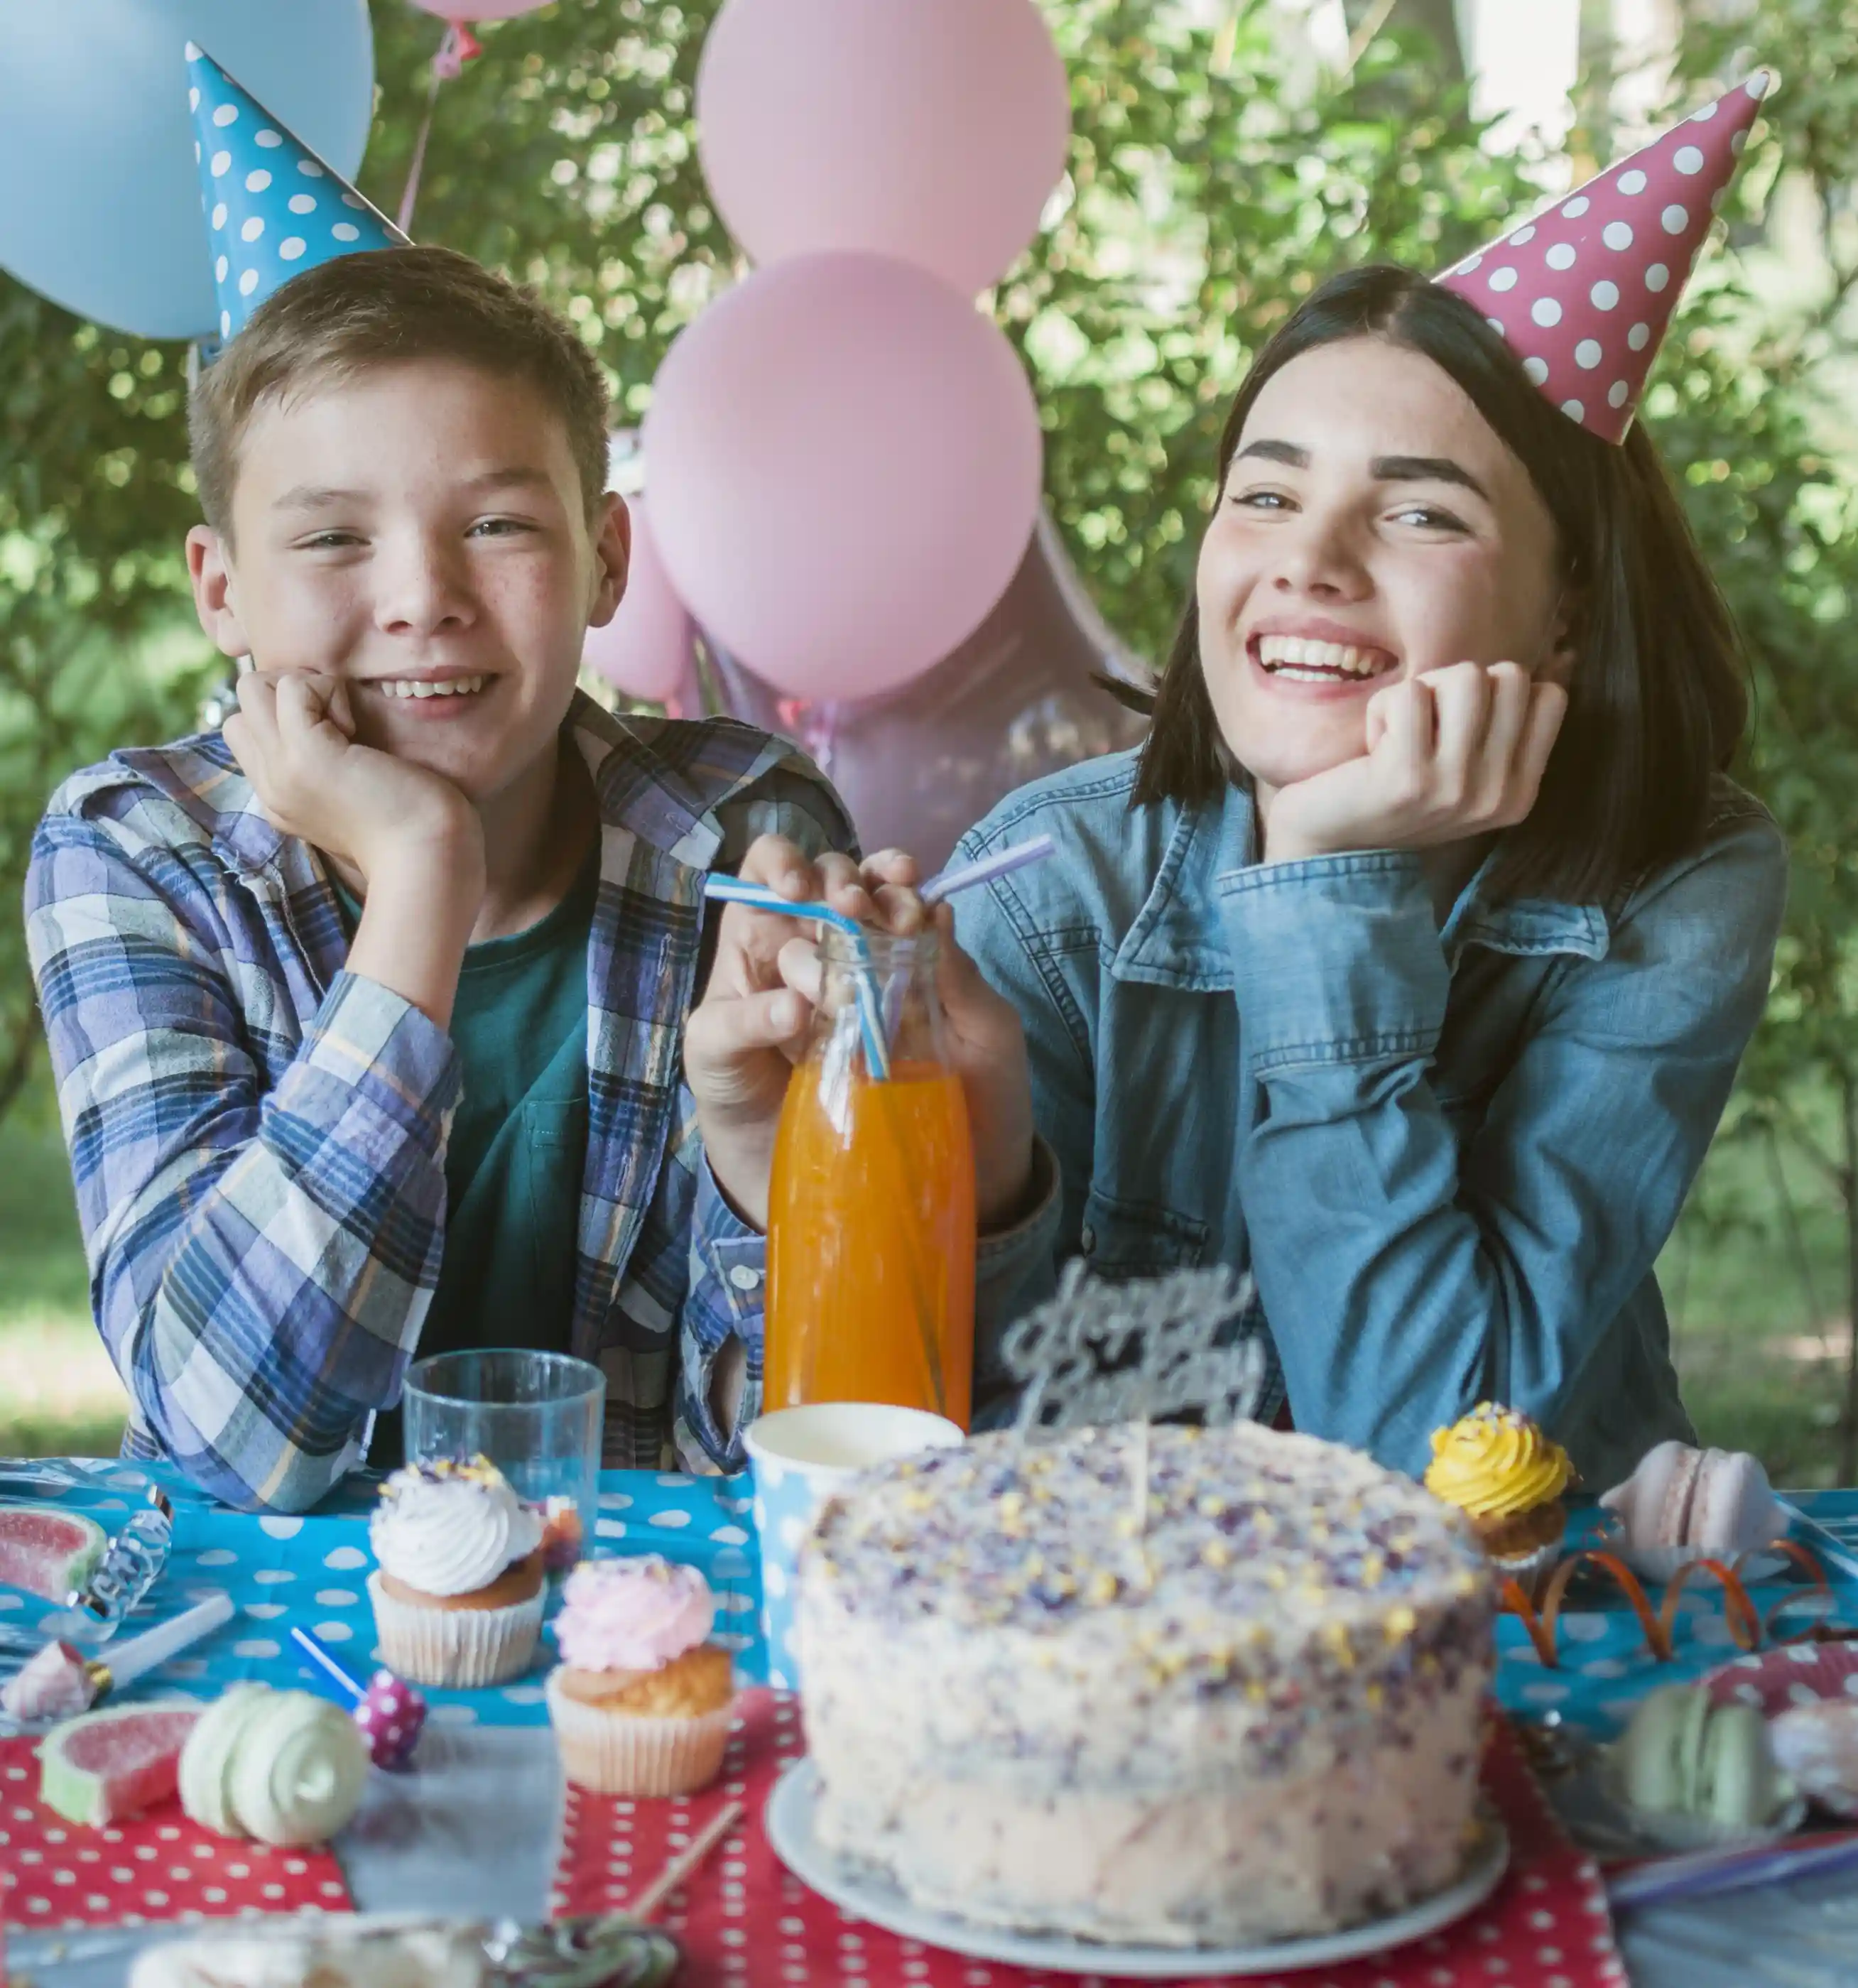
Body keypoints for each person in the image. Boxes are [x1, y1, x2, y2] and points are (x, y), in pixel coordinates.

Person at [692, 75, 1787, 1487]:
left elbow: (1435, 1460)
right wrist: (990, 1179)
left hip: (1543, 1635)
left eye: (1419, 511)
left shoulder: (1676, 879)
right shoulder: (1055, 891)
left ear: (1568, 609)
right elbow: (965, 1471)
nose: (1310, 560)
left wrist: (1326, 889)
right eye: (1266, 494)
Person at [25, 57, 889, 1511]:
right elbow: (240, 1440)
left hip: (636, 1622)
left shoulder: (745, 830)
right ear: (220, 587)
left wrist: (756, 1160)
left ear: (608, 554)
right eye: (333, 539)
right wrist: (420, 880)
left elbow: (802, 1452)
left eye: (495, 523)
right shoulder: (138, 854)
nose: (423, 597)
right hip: (265, 1638)